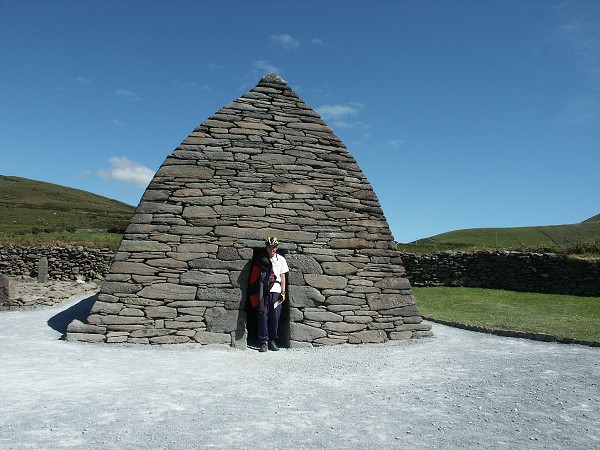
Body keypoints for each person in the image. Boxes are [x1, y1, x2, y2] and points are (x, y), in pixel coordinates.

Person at [248, 236, 289, 352]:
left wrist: (283, 292)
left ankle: (272, 341)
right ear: (266, 247)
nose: (272, 249)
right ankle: (264, 341)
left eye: (274, 247)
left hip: (276, 291)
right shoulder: (261, 260)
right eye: (270, 247)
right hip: (263, 291)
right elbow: (255, 277)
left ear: (276, 248)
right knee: (263, 315)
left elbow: (282, 276)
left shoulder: (281, 260)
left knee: (275, 317)